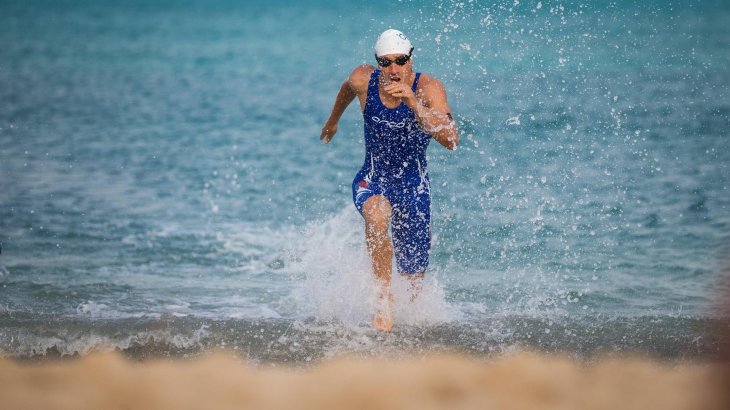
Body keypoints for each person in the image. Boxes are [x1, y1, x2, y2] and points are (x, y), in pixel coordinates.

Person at [320, 29, 459, 332]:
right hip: (373, 179)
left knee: (413, 285)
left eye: (400, 61)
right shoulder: (364, 80)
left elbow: (451, 139)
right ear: (377, 63)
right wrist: (333, 121)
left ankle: (407, 332)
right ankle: (382, 303)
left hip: (414, 189)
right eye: (385, 62)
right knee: (377, 214)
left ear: (411, 58)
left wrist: (414, 103)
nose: (393, 70)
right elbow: (347, 89)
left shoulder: (429, 88)